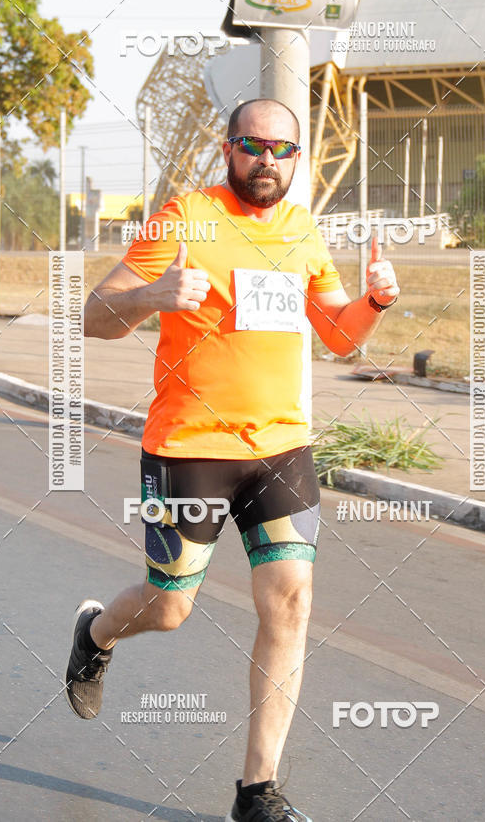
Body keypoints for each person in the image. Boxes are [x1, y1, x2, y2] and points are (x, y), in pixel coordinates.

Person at [65, 97, 399, 822]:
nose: (267, 161)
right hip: (188, 448)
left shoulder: (303, 229)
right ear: (229, 148)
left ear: (298, 159)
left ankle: (257, 792)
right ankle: (95, 635)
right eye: (254, 145)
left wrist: (372, 302)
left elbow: (338, 338)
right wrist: (155, 294)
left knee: (291, 602)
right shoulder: (185, 218)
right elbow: (93, 316)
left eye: (283, 149)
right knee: (171, 606)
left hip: (282, 447)